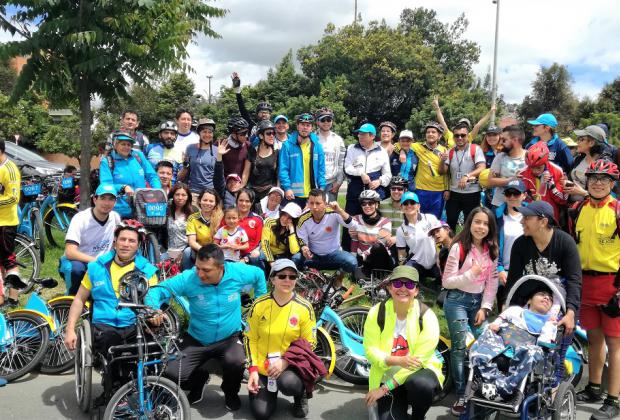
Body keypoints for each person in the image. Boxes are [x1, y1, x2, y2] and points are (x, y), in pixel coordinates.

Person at [144, 244, 267, 408]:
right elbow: (157, 290)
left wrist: (259, 307)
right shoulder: (189, 278)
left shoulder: (237, 272)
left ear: (221, 268)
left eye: (206, 270)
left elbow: (259, 274)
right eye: (198, 268)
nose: (200, 274)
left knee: (237, 362)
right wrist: (153, 309)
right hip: (197, 338)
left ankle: (230, 392)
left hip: (229, 337)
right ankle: (198, 381)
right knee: (171, 372)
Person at [63, 220, 159, 400]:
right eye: (122, 239)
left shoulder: (147, 270)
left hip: (133, 323)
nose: (126, 244)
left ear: (138, 245)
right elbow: (79, 299)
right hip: (104, 324)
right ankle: (113, 389)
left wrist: (154, 314)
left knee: (152, 347)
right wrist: (69, 330)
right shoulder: (96, 267)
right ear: (115, 242)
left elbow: (152, 301)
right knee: (112, 343)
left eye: (131, 241)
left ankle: (145, 389)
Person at [507, 201, 582, 390]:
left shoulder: (565, 242)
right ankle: (520, 384)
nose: (522, 221)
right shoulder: (521, 244)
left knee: (557, 348)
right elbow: (513, 280)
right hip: (530, 300)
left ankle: (555, 386)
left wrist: (571, 313)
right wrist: (508, 308)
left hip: (559, 302)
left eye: (527, 218)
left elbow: (574, 280)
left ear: (543, 221)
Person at [570, 159, 620, 419]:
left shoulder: (618, 210)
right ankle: (594, 387)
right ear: (586, 181)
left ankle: (614, 399)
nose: (598, 182)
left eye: (604, 179)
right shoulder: (578, 208)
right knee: (594, 339)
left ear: (612, 183)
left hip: (613, 284)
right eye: (593, 178)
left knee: (615, 344)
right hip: (586, 283)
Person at [363, 265, 443, 420]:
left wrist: (385, 389)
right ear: (389, 287)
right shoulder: (376, 313)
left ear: (417, 290)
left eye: (410, 284)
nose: (403, 288)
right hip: (387, 377)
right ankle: (399, 405)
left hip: (417, 375)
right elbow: (370, 350)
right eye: (398, 283)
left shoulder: (427, 316)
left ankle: (418, 416)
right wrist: (396, 360)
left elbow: (417, 363)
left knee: (421, 385)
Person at [245, 259, 321, 419]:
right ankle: (268, 392)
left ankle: (300, 396)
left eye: (292, 277)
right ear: (272, 279)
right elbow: (249, 338)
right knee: (261, 413)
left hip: (290, 366)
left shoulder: (304, 307)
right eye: (282, 276)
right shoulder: (259, 305)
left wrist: (285, 361)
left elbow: (311, 342)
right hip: (263, 367)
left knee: (290, 384)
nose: (287, 280)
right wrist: (253, 370)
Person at [441, 207, 499, 415]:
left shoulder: (491, 249)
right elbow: (447, 282)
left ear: (490, 228)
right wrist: (471, 274)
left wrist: (485, 307)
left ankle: (485, 385)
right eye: (477, 222)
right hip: (457, 300)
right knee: (459, 347)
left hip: (477, 302)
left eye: (485, 223)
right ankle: (461, 392)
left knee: (486, 342)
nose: (481, 227)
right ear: (469, 223)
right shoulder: (458, 247)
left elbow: (492, 284)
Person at [470, 283, 561, 402]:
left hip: (523, 354)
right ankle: (492, 381)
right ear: (529, 300)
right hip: (500, 346)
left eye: (550, 298)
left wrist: (550, 324)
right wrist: (494, 325)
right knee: (486, 334)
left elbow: (544, 342)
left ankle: (505, 388)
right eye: (542, 295)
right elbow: (498, 322)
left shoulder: (549, 323)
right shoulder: (515, 311)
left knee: (536, 351)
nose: (546, 298)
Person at [60, 184, 122, 295]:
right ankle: (70, 298)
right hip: (78, 262)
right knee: (76, 270)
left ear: (115, 202)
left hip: (103, 263)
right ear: (95, 199)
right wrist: (98, 261)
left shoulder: (115, 217)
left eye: (111, 199)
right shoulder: (81, 218)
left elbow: (116, 242)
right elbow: (70, 252)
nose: (106, 203)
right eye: (102, 198)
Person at [294, 189, 358, 276]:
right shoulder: (303, 218)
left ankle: (338, 277)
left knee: (352, 262)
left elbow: (353, 226)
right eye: (311, 203)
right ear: (308, 203)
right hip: (313, 256)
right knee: (295, 259)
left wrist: (340, 210)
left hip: (334, 254)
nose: (314, 207)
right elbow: (301, 239)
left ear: (325, 203)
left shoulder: (334, 213)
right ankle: (310, 277)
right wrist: (304, 248)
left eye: (318, 203)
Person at [99, 130, 161, 218]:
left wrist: (158, 191)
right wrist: (123, 187)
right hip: (119, 210)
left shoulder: (138, 156)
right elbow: (105, 185)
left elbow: (152, 175)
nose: (126, 147)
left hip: (142, 208)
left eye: (129, 145)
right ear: (115, 145)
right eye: (123, 144)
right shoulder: (107, 161)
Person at [440, 121, 486, 231]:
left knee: (469, 224)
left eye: (463, 135)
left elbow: (482, 167)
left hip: (472, 193)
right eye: (457, 135)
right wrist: (442, 161)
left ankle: (467, 247)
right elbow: (443, 171)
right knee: (450, 222)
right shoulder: (450, 151)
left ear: (467, 136)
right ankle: (450, 246)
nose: (460, 138)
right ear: (454, 137)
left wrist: (467, 175)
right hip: (454, 193)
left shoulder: (475, 149)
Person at [278, 113, 326, 208]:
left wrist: (322, 188)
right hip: (293, 194)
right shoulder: (287, 145)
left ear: (311, 128)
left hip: (312, 194)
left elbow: (321, 170)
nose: (305, 128)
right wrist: (287, 188)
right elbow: (283, 169)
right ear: (297, 126)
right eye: (302, 124)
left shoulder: (317, 146)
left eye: (308, 125)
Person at [344, 123, 391, 216]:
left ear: (372, 136)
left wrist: (379, 181)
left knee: (371, 223)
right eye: (359, 134)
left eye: (363, 134)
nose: (360, 136)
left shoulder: (382, 151)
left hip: (373, 191)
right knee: (351, 221)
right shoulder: (351, 148)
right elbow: (347, 168)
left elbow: (388, 174)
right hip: (355, 189)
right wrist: (361, 173)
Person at [494, 179, 527, 310]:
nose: (512, 197)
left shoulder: (531, 216)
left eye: (516, 193)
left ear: (524, 195)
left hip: (525, 272)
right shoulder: (497, 216)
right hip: (504, 272)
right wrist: (500, 269)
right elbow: (493, 246)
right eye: (509, 193)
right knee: (505, 310)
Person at [0, 138, 24, 308]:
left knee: (8, 260)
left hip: (5, 223)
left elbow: (14, 198)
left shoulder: (10, 169)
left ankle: (14, 299)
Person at [396, 192, 440, 283]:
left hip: (436, 262)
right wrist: (402, 268)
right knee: (404, 277)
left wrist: (440, 259)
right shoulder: (401, 230)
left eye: (412, 203)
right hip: (417, 263)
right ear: (401, 207)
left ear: (418, 206)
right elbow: (401, 253)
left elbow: (441, 241)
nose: (409, 205)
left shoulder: (430, 219)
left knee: (444, 280)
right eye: (405, 203)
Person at [350, 190, 394, 278]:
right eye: (364, 203)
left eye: (370, 203)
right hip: (364, 260)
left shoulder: (386, 222)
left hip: (381, 259)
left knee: (377, 247)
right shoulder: (355, 220)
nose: (367, 206)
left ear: (377, 205)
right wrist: (353, 263)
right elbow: (354, 242)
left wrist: (364, 254)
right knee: (357, 278)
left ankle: (381, 275)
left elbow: (380, 242)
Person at [520, 142, 567, 222]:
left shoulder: (557, 171)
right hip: (530, 217)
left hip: (550, 217)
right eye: (531, 167)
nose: (535, 171)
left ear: (545, 162)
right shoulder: (522, 173)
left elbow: (562, 200)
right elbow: (519, 200)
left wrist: (551, 185)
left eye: (538, 168)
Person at [411, 121, 449, 219]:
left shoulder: (444, 150)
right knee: (419, 219)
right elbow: (399, 145)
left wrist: (447, 189)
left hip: (438, 192)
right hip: (421, 190)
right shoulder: (417, 146)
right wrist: (402, 151)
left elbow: (446, 173)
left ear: (439, 136)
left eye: (433, 132)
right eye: (428, 132)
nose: (430, 134)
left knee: (435, 221)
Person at [563, 125, 609, 201]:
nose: (577, 142)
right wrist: (566, 180)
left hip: (591, 208)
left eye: (581, 139)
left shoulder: (603, 165)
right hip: (572, 207)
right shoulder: (578, 159)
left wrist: (583, 193)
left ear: (591, 143)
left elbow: (604, 197)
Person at [487, 125, 527, 210]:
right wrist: (512, 180)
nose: (500, 142)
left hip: (522, 207)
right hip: (499, 205)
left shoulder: (529, 157)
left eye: (504, 140)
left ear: (515, 140)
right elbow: (490, 181)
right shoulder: (500, 157)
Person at [179, 118, 220, 200]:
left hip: (210, 193)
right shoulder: (190, 148)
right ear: (199, 133)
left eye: (210, 132)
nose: (207, 135)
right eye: (204, 132)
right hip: (193, 192)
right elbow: (182, 176)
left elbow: (220, 175)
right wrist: (185, 164)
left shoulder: (217, 150)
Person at [183, 188, 224, 270]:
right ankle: (186, 277)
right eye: (205, 200)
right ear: (199, 201)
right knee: (187, 252)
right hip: (199, 249)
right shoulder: (192, 218)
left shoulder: (221, 218)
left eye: (211, 201)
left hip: (217, 250)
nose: (207, 203)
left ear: (215, 203)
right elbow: (192, 242)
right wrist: (204, 251)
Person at [244, 120, 280, 203]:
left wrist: (277, 191)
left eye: (273, 133)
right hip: (253, 192)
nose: (272, 136)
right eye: (268, 133)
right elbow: (245, 173)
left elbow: (278, 175)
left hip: (270, 192)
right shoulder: (252, 152)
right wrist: (241, 188)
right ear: (260, 135)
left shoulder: (277, 153)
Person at [315, 107, 346, 202]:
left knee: (331, 213)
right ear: (317, 122)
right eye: (323, 120)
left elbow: (341, 162)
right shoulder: (312, 138)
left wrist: (339, 182)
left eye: (329, 119)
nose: (326, 122)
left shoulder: (338, 139)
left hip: (331, 183)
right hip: (315, 183)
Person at [231, 72, 272, 143]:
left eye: (266, 112)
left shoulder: (274, 128)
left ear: (270, 115)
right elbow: (242, 109)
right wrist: (237, 90)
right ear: (257, 114)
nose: (264, 114)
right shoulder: (252, 126)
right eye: (261, 112)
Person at [235, 188, 264, 267]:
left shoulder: (258, 220)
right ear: (236, 201)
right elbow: (223, 238)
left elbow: (259, 243)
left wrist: (246, 259)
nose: (244, 204)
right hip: (230, 254)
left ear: (252, 202)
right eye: (241, 200)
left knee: (257, 256)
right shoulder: (228, 217)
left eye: (247, 201)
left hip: (250, 256)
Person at [164, 183, 193, 260]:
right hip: (169, 251)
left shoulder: (193, 213)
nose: (180, 198)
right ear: (172, 196)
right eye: (177, 194)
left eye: (183, 195)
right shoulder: (166, 212)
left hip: (186, 252)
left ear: (188, 197)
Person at [480, 125, 503, 208]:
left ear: (500, 136)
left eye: (494, 135)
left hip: (503, 192)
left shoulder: (505, 151)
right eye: (489, 135)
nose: (491, 138)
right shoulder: (483, 152)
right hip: (488, 193)